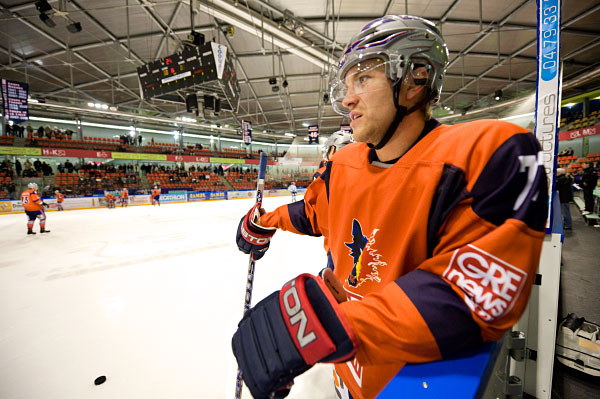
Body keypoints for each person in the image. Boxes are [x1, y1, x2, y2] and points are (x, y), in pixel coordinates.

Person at [232, 15, 549, 399]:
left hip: (409, 383)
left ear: (415, 79)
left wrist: (327, 326)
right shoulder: (344, 165)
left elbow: (468, 292)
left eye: (363, 79)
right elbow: (313, 213)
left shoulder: (489, 155)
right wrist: (265, 222)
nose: (348, 98)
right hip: (347, 373)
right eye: (346, 85)